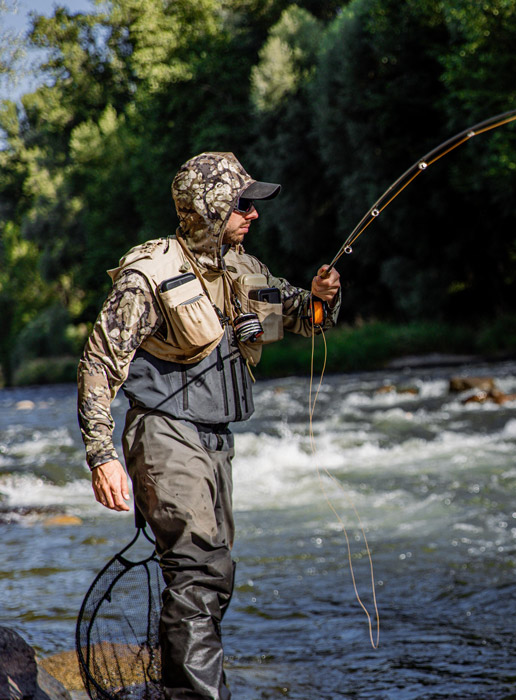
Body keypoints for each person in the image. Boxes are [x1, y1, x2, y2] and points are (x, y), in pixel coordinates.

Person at [77, 151, 341, 699]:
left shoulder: (243, 267)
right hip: (165, 436)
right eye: (244, 204)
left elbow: (302, 319)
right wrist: (102, 455)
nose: (254, 214)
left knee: (213, 574)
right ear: (212, 206)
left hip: (216, 439)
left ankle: (182, 689)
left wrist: (320, 301)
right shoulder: (149, 274)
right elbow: (99, 363)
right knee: (198, 569)